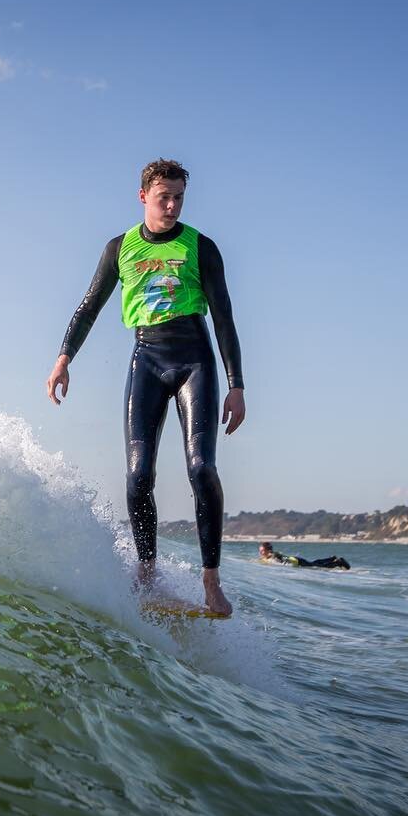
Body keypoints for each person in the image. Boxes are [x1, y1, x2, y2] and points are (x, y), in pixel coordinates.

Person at [46, 158, 244, 616]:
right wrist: (63, 359)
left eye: (178, 197)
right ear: (143, 197)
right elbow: (88, 306)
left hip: (195, 358)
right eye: (163, 197)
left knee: (201, 470)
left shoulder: (202, 247)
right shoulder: (120, 248)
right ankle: (147, 571)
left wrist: (236, 386)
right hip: (147, 359)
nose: (172, 205)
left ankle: (211, 581)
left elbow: (225, 319)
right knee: (138, 476)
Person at [258, 542, 351, 570]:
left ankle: (339, 563)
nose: (260, 552)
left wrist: (285, 563)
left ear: (268, 550)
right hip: (296, 560)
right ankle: (332, 558)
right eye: (260, 551)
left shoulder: (274, 555)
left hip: (297, 561)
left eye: (262, 551)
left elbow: (281, 560)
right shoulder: (268, 557)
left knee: (319, 566)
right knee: (314, 563)